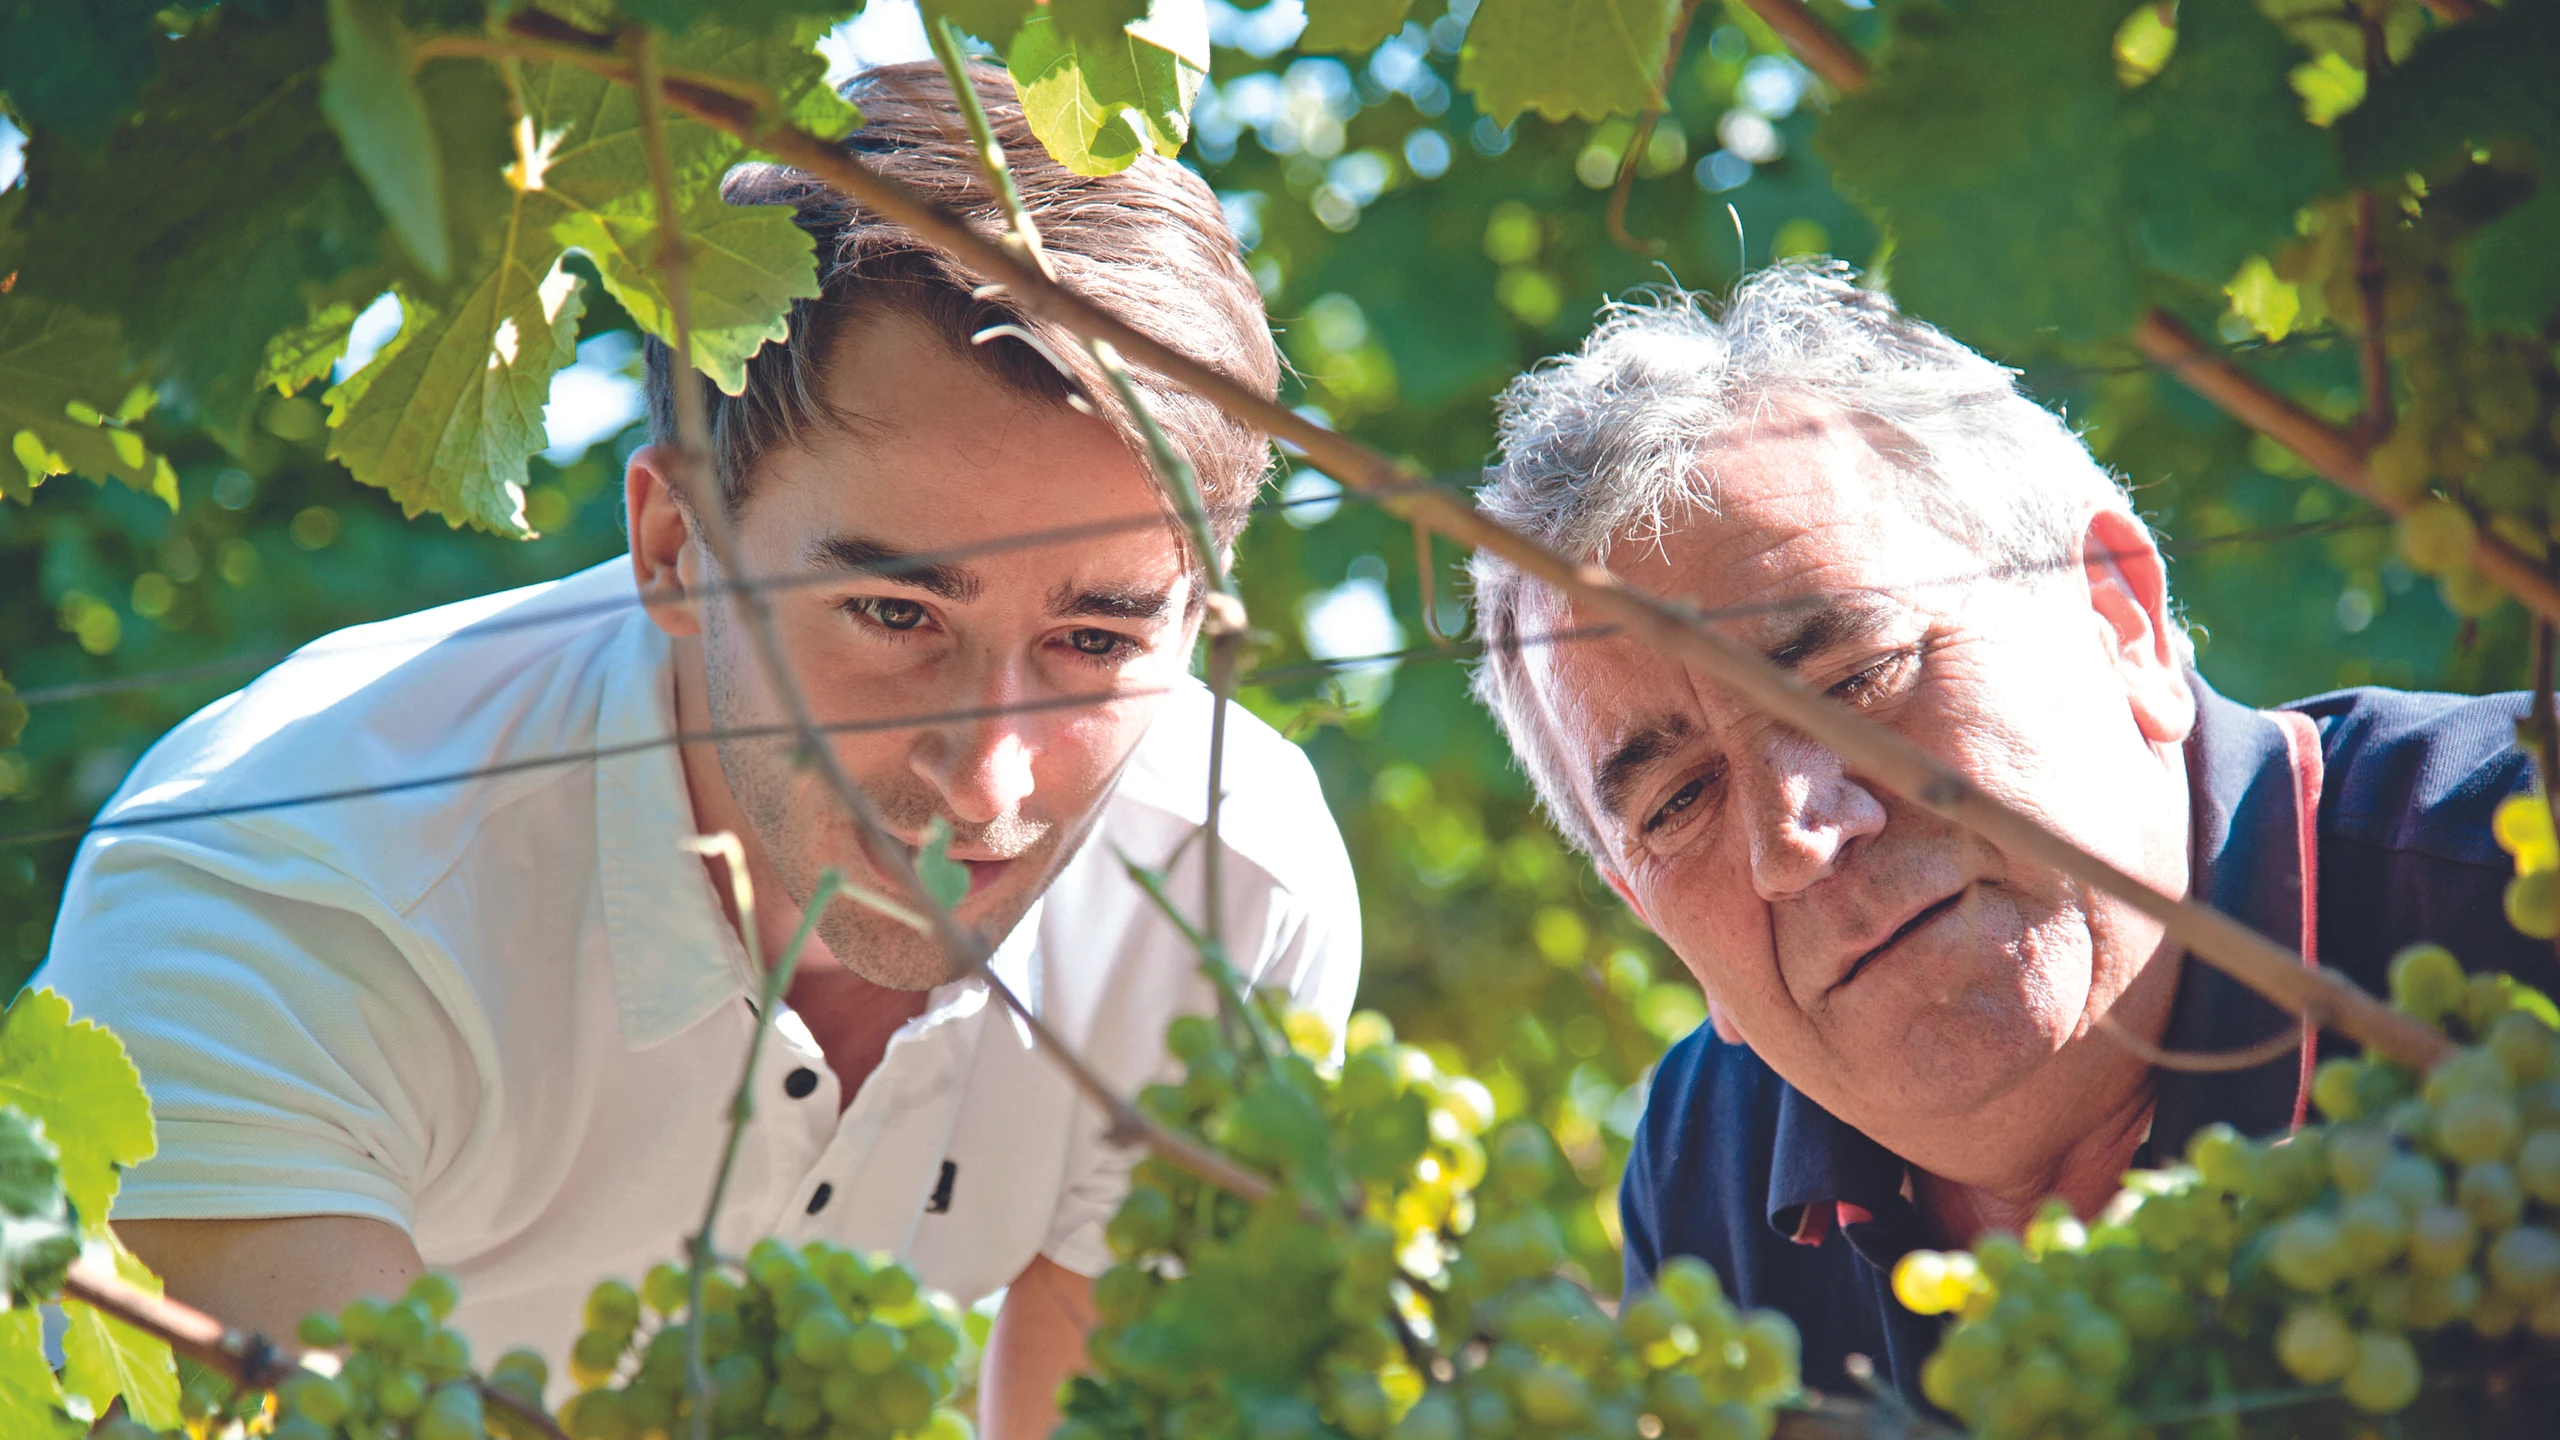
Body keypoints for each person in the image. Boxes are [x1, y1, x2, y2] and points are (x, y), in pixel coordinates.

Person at [35, 63, 1359, 1436]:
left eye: (1096, 640)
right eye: (896, 614)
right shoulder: (280, 889)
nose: (989, 782)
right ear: (674, 546)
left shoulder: (1235, 898)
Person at [1465, 262, 2558, 1399]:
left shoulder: (2515, 862)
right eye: (1679, 802)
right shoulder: (1709, 1169)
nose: (1793, 836)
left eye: (1855, 678)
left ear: (2120, 621)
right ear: (1646, 914)